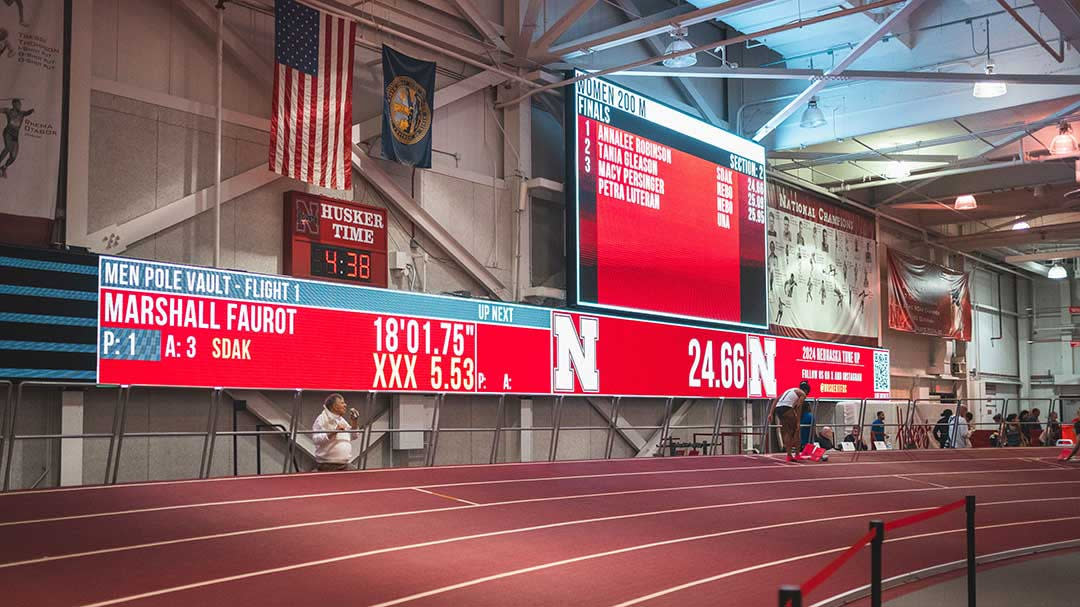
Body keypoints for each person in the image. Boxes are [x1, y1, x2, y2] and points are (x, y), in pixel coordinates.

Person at [312, 393, 361, 471]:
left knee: (359, 478)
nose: (345, 405)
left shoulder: (341, 420)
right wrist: (333, 432)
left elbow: (353, 436)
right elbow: (316, 440)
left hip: (344, 464)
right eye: (342, 403)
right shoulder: (321, 419)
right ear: (334, 406)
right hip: (328, 465)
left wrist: (354, 422)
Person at [772, 380, 811, 461]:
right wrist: (798, 421)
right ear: (806, 391)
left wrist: (770, 413)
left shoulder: (790, 390)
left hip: (778, 409)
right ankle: (797, 454)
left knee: (787, 432)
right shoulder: (802, 394)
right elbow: (798, 406)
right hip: (787, 409)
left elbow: (776, 400)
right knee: (796, 431)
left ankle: (789, 455)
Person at [0, 98, 33, 178]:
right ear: (14, 104)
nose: (20, 106)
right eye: (18, 104)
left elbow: (28, 112)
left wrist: (31, 110)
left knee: (13, 156)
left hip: (15, 136)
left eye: (20, 104)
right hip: (8, 133)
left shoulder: (22, 113)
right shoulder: (8, 111)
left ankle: (4, 167)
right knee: (8, 148)